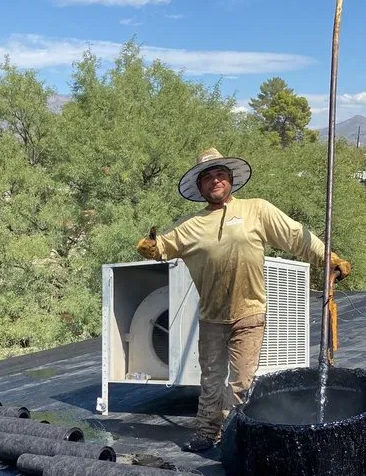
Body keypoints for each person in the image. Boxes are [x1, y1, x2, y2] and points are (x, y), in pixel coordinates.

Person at [136, 147, 351, 454]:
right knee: (210, 379)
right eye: (207, 177)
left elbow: (295, 236)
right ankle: (206, 433)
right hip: (212, 317)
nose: (214, 181)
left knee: (241, 383)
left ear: (231, 179)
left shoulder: (256, 210)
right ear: (199, 188)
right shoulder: (190, 226)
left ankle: (235, 434)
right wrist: (149, 248)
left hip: (249, 313)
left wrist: (329, 258)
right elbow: (163, 248)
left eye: (220, 174)